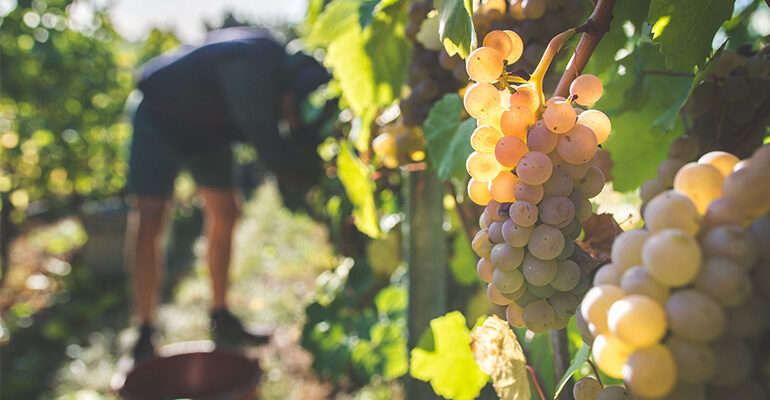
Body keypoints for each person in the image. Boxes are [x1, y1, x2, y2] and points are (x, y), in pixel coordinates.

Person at [124, 27, 330, 360]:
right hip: (159, 116)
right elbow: (271, 150)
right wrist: (321, 182)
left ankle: (221, 315)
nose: (290, 122)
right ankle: (144, 330)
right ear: (290, 95)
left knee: (227, 214)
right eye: (292, 114)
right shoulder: (253, 64)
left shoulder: (279, 72)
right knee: (151, 219)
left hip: (208, 132)